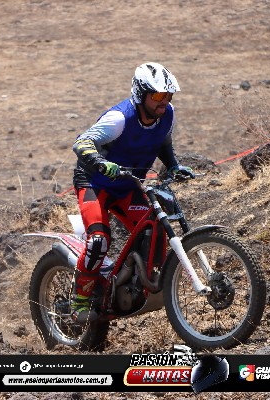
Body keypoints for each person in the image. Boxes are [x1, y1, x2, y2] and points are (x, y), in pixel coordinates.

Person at [70, 62, 195, 324]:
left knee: (155, 227)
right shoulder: (119, 120)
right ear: (141, 93)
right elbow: (81, 142)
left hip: (128, 185)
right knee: (98, 241)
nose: (165, 101)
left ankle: (130, 281)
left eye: (168, 95)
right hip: (95, 184)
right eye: (158, 95)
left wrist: (173, 165)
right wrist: (101, 163)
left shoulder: (167, 114)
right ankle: (79, 300)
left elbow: (162, 141)